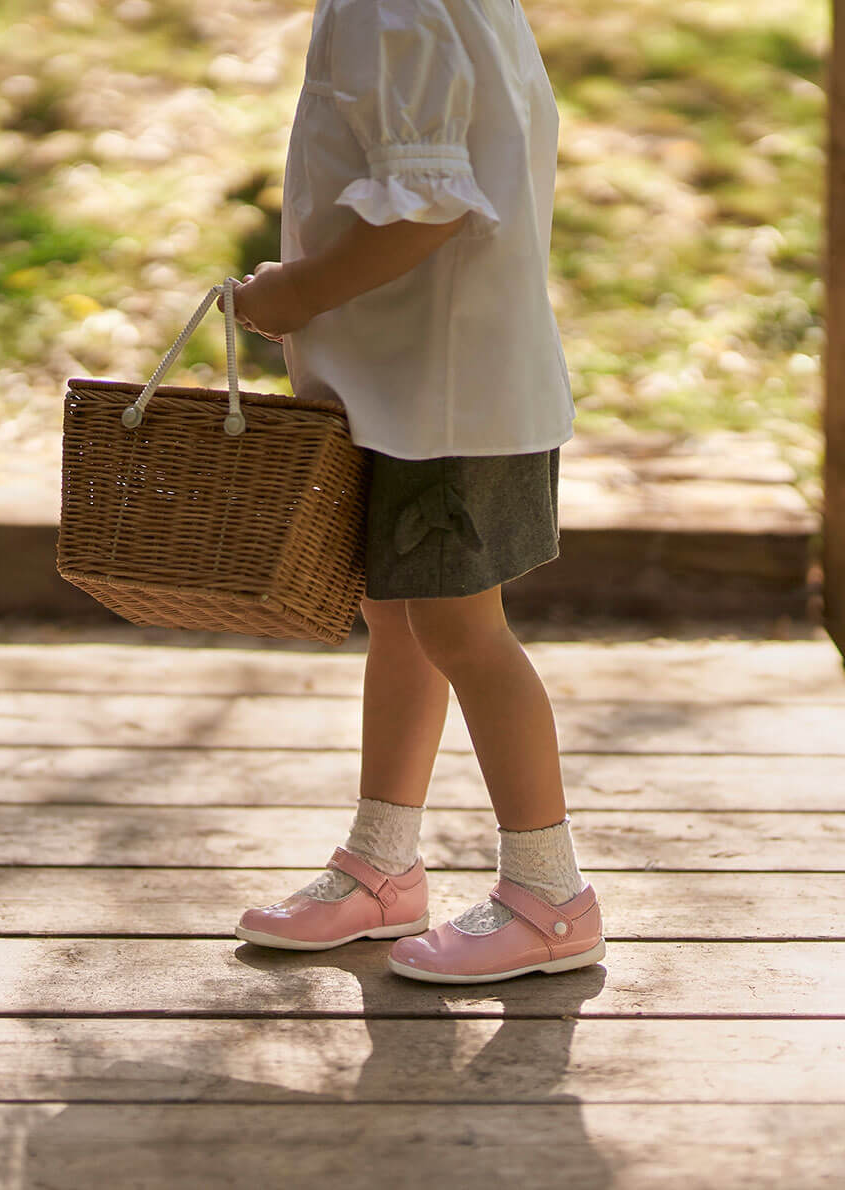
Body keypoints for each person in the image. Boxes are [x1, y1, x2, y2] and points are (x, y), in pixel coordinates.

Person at [224, 0, 601, 984]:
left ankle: (549, 893)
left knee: (462, 634)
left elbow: (429, 204)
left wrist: (290, 292)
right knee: (398, 617)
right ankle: (382, 865)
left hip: (444, 392)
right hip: (407, 384)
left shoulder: (388, 7)